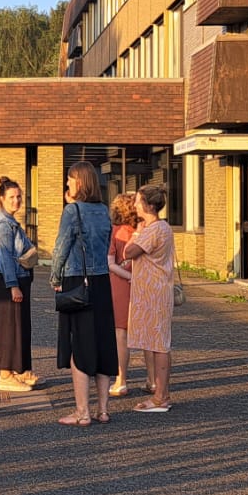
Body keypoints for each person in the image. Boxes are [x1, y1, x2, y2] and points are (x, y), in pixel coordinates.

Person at [51, 160, 119, 426]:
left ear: (78, 181)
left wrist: (55, 278)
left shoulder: (72, 211)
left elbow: (61, 248)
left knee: (78, 344)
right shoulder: (103, 211)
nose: (67, 183)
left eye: (69, 179)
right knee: (103, 343)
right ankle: (103, 410)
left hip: (77, 281)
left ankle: (82, 412)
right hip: (102, 281)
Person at [120, 182, 178, 413]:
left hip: (154, 293)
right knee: (159, 343)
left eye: (138, 200)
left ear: (149, 205)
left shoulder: (153, 230)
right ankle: (161, 393)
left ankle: (160, 397)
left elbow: (129, 251)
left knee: (159, 345)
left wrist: (137, 232)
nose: (134, 204)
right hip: (157, 291)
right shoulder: (163, 228)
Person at [0, 177, 40, 391]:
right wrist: (13, 285)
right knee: (8, 326)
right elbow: (7, 256)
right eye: (11, 197)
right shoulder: (3, 224)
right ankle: (5, 375)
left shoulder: (11, 222)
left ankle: (19, 370)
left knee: (19, 325)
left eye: (19, 197)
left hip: (18, 277)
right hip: (8, 279)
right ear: (2, 199)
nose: (16, 201)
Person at [106, 194, 138, 400]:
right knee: (145, 332)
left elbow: (110, 263)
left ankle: (121, 380)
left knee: (120, 333)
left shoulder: (116, 233)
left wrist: (127, 276)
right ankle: (153, 380)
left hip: (119, 285)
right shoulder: (142, 232)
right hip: (143, 286)